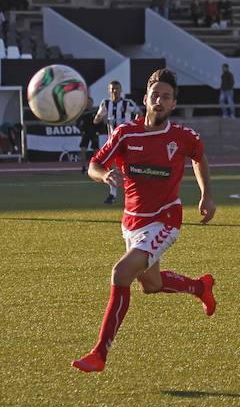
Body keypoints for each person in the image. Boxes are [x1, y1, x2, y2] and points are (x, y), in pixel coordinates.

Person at [72, 68, 217, 374]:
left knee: (121, 273)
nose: (160, 100)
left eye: (166, 96)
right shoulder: (125, 133)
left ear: (173, 103)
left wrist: (206, 195)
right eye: (155, 95)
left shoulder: (183, 137)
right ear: (145, 99)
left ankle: (99, 353)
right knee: (151, 285)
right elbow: (94, 164)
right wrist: (103, 175)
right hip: (132, 222)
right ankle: (199, 287)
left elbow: (198, 158)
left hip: (165, 219)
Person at [94, 80, 140, 204]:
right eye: (112, 88)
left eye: (117, 88)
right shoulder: (105, 103)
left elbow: (140, 114)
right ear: (109, 90)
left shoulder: (127, 103)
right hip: (112, 141)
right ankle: (112, 194)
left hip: (128, 140)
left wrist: (134, 125)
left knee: (130, 167)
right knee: (112, 167)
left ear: (121, 90)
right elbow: (96, 120)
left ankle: (135, 194)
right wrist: (99, 117)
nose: (115, 91)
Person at [76, 97, 99, 173]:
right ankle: (83, 167)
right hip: (85, 133)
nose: (88, 104)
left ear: (92, 103)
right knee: (83, 149)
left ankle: (96, 166)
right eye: (87, 102)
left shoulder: (95, 111)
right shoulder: (82, 112)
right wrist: (81, 130)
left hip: (94, 133)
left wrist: (98, 130)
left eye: (90, 102)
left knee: (96, 150)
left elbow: (99, 122)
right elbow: (77, 123)